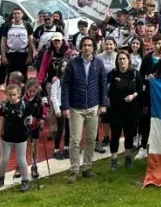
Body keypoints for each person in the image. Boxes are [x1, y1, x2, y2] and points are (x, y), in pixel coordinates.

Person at [60, 37, 109, 183]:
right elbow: (65, 86)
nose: (87, 47)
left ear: (93, 47)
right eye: (85, 45)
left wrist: (103, 104)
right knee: (75, 140)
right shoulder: (72, 64)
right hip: (76, 108)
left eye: (90, 45)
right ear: (81, 47)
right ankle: (74, 170)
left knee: (91, 139)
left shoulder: (98, 63)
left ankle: (87, 167)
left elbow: (103, 84)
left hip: (93, 107)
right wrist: (65, 106)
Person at [0, 84, 31, 193]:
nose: (12, 97)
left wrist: (30, 122)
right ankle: (0, 178)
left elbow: (29, 118)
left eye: (14, 94)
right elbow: (2, 121)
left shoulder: (25, 105)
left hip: (21, 137)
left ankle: (25, 180)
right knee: (4, 159)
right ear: (7, 95)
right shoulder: (5, 107)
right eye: (10, 95)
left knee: (21, 159)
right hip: (7, 137)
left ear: (18, 93)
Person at [107, 51, 142, 169]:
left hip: (131, 110)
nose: (122, 61)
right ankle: (114, 160)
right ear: (117, 61)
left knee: (129, 135)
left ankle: (128, 158)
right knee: (115, 135)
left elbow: (141, 88)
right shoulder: (112, 74)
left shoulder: (135, 73)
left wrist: (133, 96)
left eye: (124, 59)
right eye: (120, 59)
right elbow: (104, 86)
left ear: (128, 60)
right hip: (116, 110)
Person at [0, 8, 33, 84]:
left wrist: (30, 56)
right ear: (12, 15)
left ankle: (23, 93)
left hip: (23, 54)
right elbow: (3, 41)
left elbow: (31, 41)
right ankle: (10, 93)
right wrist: (3, 56)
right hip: (11, 53)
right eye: (15, 13)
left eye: (18, 13)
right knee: (10, 75)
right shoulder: (7, 26)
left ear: (22, 15)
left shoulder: (27, 25)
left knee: (23, 75)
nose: (16, 15)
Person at [21, 78, 47, 180]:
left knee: (34, 146)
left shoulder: (39, 100)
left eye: (34, 91)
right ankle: (20, 166)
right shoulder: (23, 100)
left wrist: (42, 120)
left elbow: (43, 112)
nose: (32, 93)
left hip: (35, 126)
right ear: (26, 89)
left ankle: (34, 165)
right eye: (30, 91)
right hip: (24, 127)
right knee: (23, 147)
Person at [49, 60, 70, 160]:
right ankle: (56, 149)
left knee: (69, 128)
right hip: (60, 108)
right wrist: (57, 109)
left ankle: (66, 148)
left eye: (67, 66)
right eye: (63, 66)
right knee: (60, 129)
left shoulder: (72, 80)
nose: (65, 68)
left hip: (69, 107)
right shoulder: (57, 82)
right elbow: (53, 96)